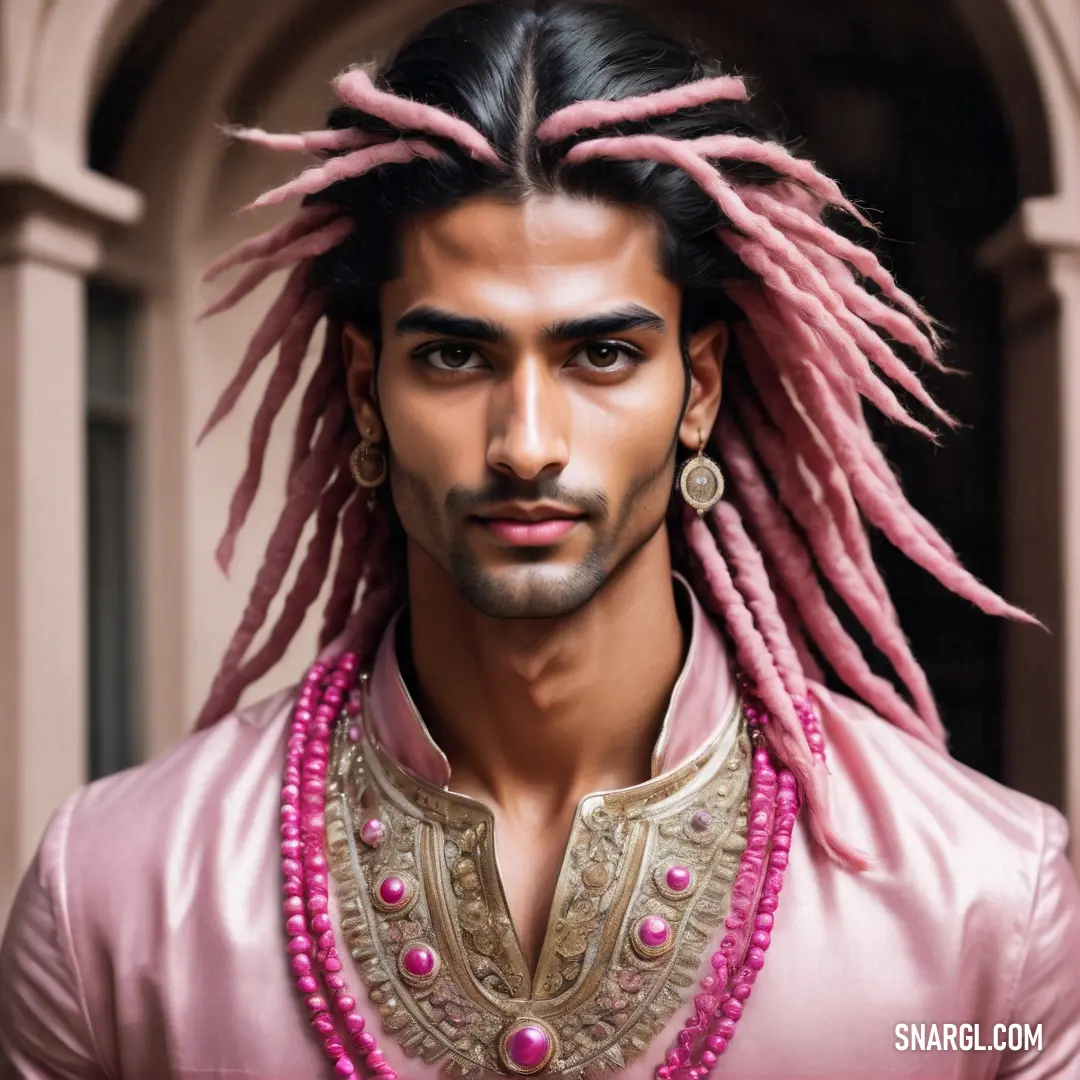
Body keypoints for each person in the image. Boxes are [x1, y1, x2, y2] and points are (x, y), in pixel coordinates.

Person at [2, 1, 1079, 1077]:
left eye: (601, 354)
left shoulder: (983, 908)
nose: (526, 444)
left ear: (697, 388)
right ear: (363, 391)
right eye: (454, 358)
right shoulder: (115, 901)